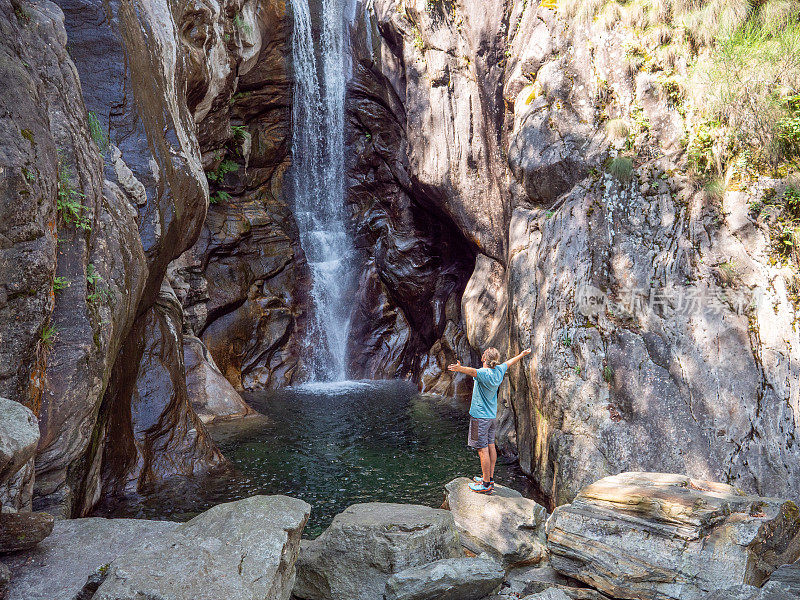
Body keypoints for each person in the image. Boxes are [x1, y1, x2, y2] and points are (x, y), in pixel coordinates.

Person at [448, 347, 531, 494]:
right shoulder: (499, 370)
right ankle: (489, 478)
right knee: (490, 444)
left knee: (482, 449)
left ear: (483, 359)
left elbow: (472, 371)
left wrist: (460, 368)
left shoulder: (483, 373)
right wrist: (522, 354)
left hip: (479, 417)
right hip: (491, 417)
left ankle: (486, 484)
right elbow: (509, 362)